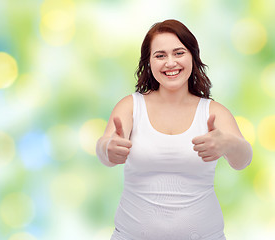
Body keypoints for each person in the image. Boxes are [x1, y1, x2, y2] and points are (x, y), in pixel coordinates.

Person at [96, 19, 253, 240]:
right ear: (148, 62)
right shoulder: (131, 106)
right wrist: (108, 148)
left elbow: (243, 160)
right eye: (160, 55)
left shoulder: (213, 111)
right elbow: (105, 149)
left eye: (179, 53)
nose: (170, 63)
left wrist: (228, 144)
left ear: (193, 57)